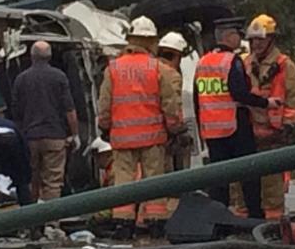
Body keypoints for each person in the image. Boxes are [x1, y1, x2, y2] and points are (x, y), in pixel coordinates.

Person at [99, 17, 186, 237]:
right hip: (153, 138)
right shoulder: (158, 68)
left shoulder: (114, 68)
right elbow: (170, 104)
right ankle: (155, 221)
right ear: (151, 41)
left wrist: (105, 126)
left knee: (124, 179)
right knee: (153, 180)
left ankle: (123, 223)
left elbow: (105, 103)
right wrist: (174, 128)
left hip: (122, 137)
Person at [195, 17, 282, 219]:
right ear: (229, 36)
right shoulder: (231, 61)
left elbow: (197, 97)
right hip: (234, 126)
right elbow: (240, 94)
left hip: (211, 130)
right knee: (248, 172)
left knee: (219, 178)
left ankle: (217, 218)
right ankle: (254, 216)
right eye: (238, 35)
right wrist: (266, 103)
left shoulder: (203, 61)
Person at [243, 14, 295, 219]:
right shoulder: (244, 63)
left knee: (272, 192)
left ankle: (272, 229)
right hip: (248, 136)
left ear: (271, 39)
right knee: (241, 190)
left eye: (260, 39)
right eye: (252, 40)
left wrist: (288, 127)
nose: (255, 44)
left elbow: (293, 101)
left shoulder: (285, 65)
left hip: (273, 137)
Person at [11, 41, 79, 201]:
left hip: (30, 138)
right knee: (53, 182)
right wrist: (75, 134)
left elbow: (15, 111)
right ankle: (51, 222)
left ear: (31, 56)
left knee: (31, 180)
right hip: (55, 137)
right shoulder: (59, 77)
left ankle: (32, 220)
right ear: (50, 56)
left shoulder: (21, 79)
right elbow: (69, 108)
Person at [157, 31, 191, 173]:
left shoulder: (151, 68)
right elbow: (173, 105)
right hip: (167, 134)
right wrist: (178, 129)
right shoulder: (172, 75)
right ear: (177, 56)